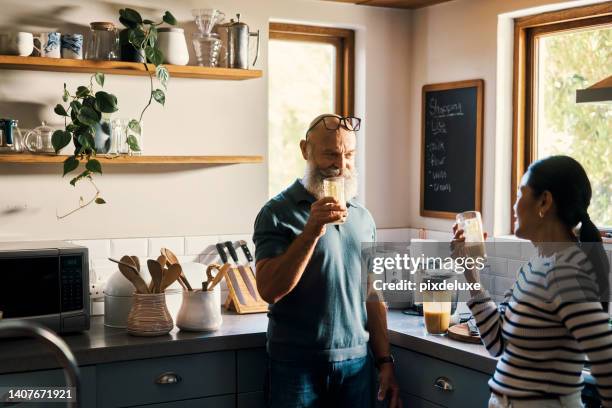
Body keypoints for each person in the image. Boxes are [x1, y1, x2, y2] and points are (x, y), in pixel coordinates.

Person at [253, 113, 401, 408]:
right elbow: (269, 290)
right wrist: (312, 231)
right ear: (305, 150)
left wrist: (384, 361)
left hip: (357, 364)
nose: (341, 165)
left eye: (348, 155)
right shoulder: (276, 213)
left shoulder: (362, 217)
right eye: (331, 154)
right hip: (295, 366)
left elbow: (373, 295)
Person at [454, 155, 612, 408]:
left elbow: (606, 360)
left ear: (545, 201)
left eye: (520, 194)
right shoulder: (535, 267)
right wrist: (470, 273)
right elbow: (497, 342)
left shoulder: (564, 272)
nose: (514, 205)